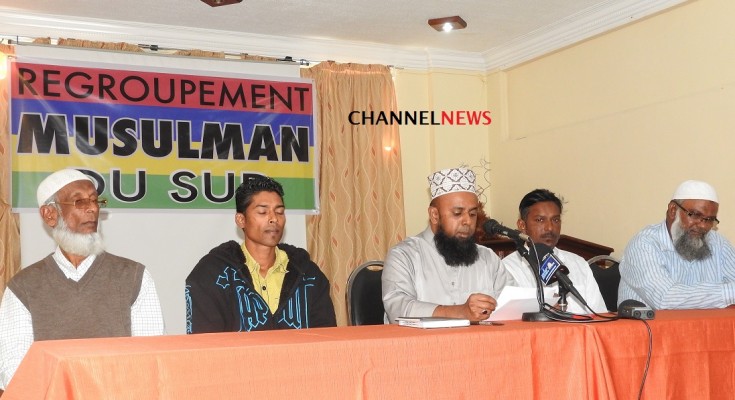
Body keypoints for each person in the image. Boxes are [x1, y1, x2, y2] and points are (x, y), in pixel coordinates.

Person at [0, 169, 165, 390]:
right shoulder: (23, 287)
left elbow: (150, 360)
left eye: (95, 200)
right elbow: (15, 372)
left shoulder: (134, 277)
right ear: (49, 214)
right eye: (79, 201)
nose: (92, 208)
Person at [185, 175, 336, 333]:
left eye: (279, 212)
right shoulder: (212, 274)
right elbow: (205, 342)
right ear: (241, 220)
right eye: (263, 212)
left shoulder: (308, 275)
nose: (274, 219)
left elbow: (327, 338)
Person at [382, 167, 515, 323]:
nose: (467, 221)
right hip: (423, 340)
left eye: (472, 214)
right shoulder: (404, 255)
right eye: (457, 213)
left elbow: (512, 306)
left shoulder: (488, 259)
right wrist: (460, 312)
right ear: (434, 215)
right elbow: (398, 309)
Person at [618, 180, 735, 309]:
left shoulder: (719, 244)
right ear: (673, 210)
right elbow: (665, 299)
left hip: (707, 323)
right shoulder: (643, 245)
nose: (703, 225)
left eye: (710, 219)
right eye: (695, 215)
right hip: (653, 322)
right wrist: (729, 293)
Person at [501, 189, 608, 314]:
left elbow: (599, 314)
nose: (550, 228)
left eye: (555, 220)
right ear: (522, 225)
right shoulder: (507, 268)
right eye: (540, 220)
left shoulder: (579, 264)